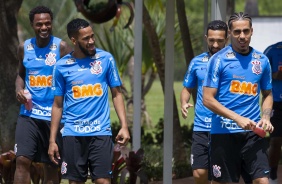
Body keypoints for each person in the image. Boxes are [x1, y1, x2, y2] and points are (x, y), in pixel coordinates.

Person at [48, 18, 130, 184]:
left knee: (103, 181)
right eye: (86, 39)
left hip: (100, 131)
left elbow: (117, 94)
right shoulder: (61, 66)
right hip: (72, 134)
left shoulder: (106, 59)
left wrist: (124, 126)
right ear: (74, 40)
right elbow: (57, 105)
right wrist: (52, 140)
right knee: (75, 182)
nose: (91, 41)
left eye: (92, 36)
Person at [202, 12, 274, 184]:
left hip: (253, 134)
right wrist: (237, 118)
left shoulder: (262, 60)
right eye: (237, 32)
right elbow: (208, 99)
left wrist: (265, 116)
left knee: (262, 181)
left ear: (251, 31)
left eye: (246, 31)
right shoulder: (218, 60)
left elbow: (268, 95)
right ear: (229, 33)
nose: (242, 36)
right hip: (224, 133)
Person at [14, 5, 72, 184]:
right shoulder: (24, 48)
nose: (44, 27)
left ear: (52, 24)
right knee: (22, 160)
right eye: (39, 24)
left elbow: (73, 75)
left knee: (51, 164)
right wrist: (19, 89)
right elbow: (21, 74)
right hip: (29, 114)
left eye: (47, 23)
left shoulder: (61, 47)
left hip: (54, 116)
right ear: (32, 24)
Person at [180, 20, 228, 184]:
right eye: (211, 40)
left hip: (224, 128)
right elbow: (187, 88)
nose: (215, 44)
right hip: (201, 126)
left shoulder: (233, 63)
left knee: (219, 176)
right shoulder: (196, 62)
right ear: (206, 38)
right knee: (199, 173)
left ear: (226, 39)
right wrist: (184, 102)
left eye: (220, 41)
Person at [264, 41, 282, 184]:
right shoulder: (272, 50)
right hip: (276, 102)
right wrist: (276, 74)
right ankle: (273, 174)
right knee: (276, 141)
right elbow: (262, 74)